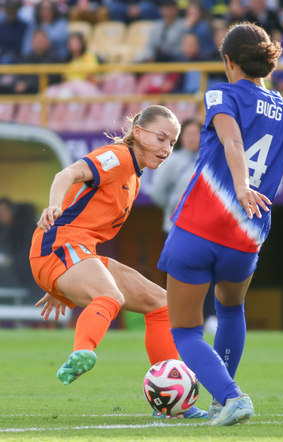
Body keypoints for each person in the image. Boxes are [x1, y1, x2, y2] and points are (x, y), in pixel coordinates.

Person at [158, 22, 283, 426]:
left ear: (229, 61)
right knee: (231, 310)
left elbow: (233, 141)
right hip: (246, 237)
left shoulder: (221, 93)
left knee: (186, 331)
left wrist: (240, 185)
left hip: (198, 228)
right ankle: (224, 401)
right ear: (267, 64)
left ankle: (230, 395)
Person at [29, 105, 208, 419]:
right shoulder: (118, 157)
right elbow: (66, 173)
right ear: (138, 132)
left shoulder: (135, 178)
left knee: (161, 304)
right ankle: (82, 351)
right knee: (111, 296)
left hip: (76, 254)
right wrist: (53, 206)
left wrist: (61, 282)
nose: (166, 149)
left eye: (171, 143)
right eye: (161, 138)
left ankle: (170, 408)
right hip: (60, 243)